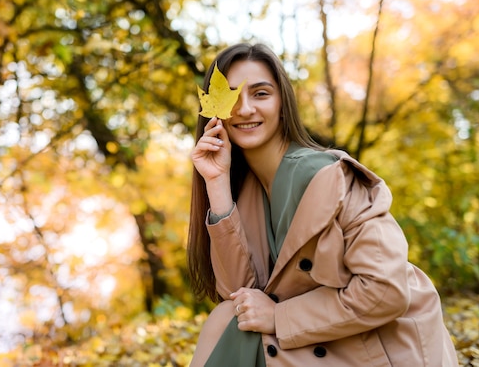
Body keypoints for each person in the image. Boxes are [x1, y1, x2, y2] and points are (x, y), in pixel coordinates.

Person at [187, 42, 458, 366]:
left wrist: (279, 317)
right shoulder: (246, 191)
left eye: (261, 94)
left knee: (224, 323)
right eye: (231, 95)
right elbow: (240, 299)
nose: (245, 109)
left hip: (386, 347)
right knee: (224, 317)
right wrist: (216, 183)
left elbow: (386, 290)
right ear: (215, 110)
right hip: (324, 341)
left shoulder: (324, 176)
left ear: (283, 104)